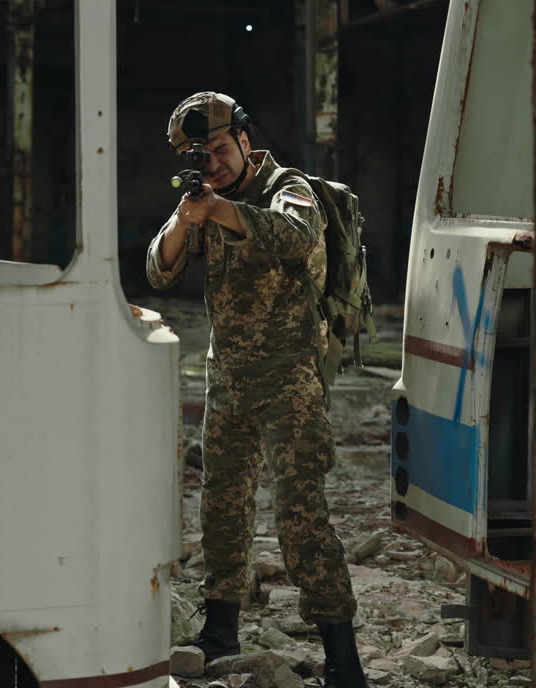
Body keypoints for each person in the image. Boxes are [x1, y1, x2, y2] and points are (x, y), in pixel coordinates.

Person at [146, 91, 367, 688]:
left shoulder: (286, 189)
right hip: (230, 382)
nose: (213, 163)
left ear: (246, 141)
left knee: (302, 520)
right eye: (201, 155)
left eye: (220, 149)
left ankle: (343, 660)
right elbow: (158, 270)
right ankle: (220, 629)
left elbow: (295, 238)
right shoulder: (207, 199)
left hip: (289, 382)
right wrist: (186, 217)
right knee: (221, 509)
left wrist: (218, 211)